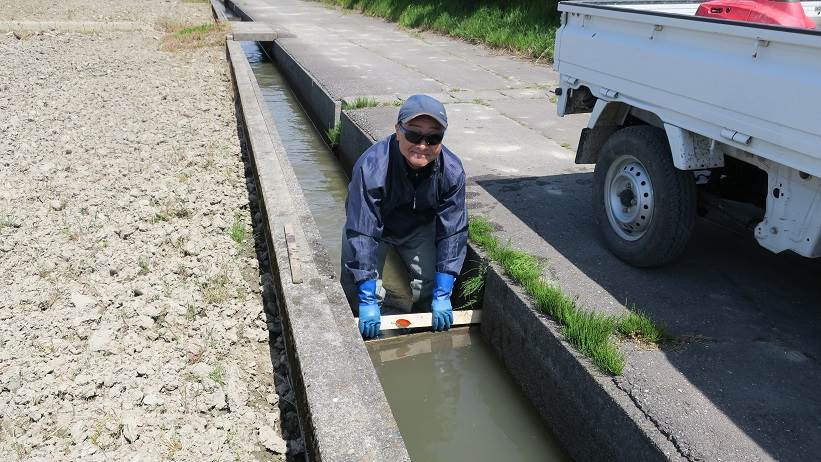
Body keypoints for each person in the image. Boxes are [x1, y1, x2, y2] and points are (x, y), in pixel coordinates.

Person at [340, 94, 468, 339]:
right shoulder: (372, 167)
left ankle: (422, 335)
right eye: (413, 134)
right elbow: (363, 231)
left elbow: (453, 231)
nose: (422, 145)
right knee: (357, 288)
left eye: (433, 137)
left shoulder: (452, 171)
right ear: (398, 130)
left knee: (430, 289)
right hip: (373, 228)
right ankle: (364, 336)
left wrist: (443, 292)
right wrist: (367, 296)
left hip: (418, 227)